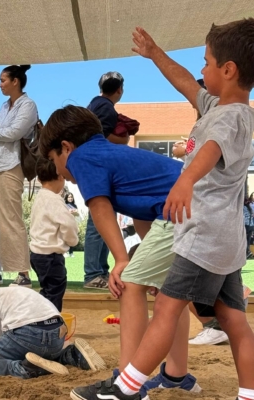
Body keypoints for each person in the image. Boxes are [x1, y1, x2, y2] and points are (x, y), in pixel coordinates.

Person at [70, 20, 254, 400]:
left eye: (207, 62)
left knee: (167, 308)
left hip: (203, 234)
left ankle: (127, 387)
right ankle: (248, 394)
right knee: (235, 320)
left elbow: (210, 150)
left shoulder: (229, 117)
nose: (201, 71)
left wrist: (185, 181)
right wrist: (155, 53)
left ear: (228, 69)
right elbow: (187, 83)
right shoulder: (226, 107)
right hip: (227, 239)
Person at [39, 105, 200, 400]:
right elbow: (143, 208)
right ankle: (177, 377)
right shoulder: (115, 154)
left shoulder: (83, 157)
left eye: (53, 160)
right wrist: (147, 260)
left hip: (182, 211)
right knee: (169, 291)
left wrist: (123, 260)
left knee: (130, 284)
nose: (59, 169)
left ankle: (126, 384)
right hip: (200, 208)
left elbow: (100, 208)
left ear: (65, 147)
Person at [0, 280, 106, 379]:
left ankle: (24, 369)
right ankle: (70, 356)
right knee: (39, 352)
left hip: (29, 333)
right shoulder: (0, 293)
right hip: (58, 332)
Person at [0, 65, 38, 287]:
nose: (0, 84)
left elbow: (15, 133)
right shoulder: (4, 105)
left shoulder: (28, 105)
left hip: (12, 165)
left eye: (3, 80)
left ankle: (23, 273)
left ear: (15, 81)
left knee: (11, 218)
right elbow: (3, 133)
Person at [83, 72, 127, 289]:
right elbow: (98, 137)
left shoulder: (94, 104)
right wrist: (123, 137)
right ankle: (93, 273)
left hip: (93, 169)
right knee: (99, 221)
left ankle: (98, 270)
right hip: (100, 169)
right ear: (119, 89)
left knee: (101, 221)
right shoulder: (106, 108)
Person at [30, 158, 78, 311]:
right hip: (50, 256)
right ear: (60, 176)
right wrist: (72, 241)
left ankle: (40, 318)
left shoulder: (40, 197)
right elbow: (68, 224)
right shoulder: (55, 200)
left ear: (38, 178)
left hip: (37, 254)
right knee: (55, 290)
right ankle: (49, 322)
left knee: (47, 290)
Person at [64, 192, 79, 257]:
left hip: (73, 223)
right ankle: (65, 252)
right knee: (66, 237)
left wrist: (75, 212)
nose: (70, 198)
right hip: (66, 223)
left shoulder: (74, 205)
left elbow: (77, 215)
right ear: (66, 198)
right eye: (69, 197)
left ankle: (71, 252)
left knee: (73, 238)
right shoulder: (64, 205)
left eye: (71, 197)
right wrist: (69, 212)